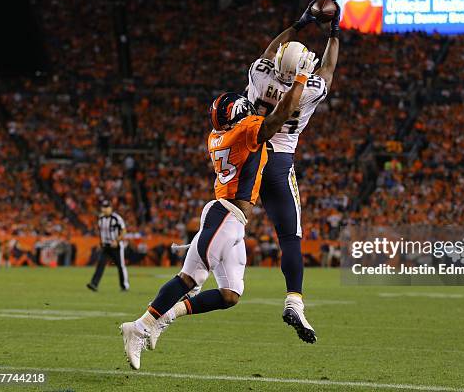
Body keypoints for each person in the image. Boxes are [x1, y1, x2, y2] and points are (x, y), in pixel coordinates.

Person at [119, 50, 316, 370]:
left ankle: (162, 319)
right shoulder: (244, 131)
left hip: (230, 219)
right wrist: (300, 80)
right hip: (225, 215)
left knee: (229, 295)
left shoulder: (219, 134)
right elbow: (278, 120)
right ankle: (139, 327)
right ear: (240, 114)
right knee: (189, 278)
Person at [247, 0, 341, 342]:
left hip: (248, 153)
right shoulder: (308, 91)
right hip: (279, 162)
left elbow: (270, 51)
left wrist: (300, 24)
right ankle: (294, 300)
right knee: (289, 237)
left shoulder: (260, 74)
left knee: (227, 220)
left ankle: (191, 277)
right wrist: (333, 31)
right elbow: (328, 69)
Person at [86, 199, 130, 291]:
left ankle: (124, 286)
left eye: (107, 207)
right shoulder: (101, 219)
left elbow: (124, 231)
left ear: (111, 208)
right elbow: (102, 232)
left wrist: (117, 241)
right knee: (100, 264)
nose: (105, 209)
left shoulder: (116, 218)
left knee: (120, 266)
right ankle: (94, 284)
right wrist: (101, 242)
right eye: (103, 207)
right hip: (105, 246)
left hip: (116, 247)